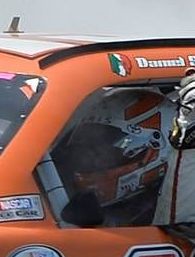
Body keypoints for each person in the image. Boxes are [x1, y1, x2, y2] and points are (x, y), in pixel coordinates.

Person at [50, 87, 171, 226]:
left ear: (154, 156)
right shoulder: (55, 183)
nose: (89, 155)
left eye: (109, 148)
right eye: (87, 142)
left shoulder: (162, 217)